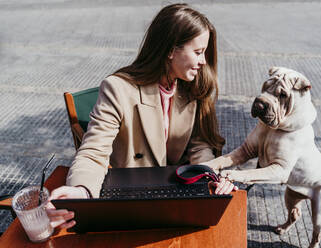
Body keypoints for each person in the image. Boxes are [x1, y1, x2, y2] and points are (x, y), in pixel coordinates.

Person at [46, 3, 237, 230]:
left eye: (204, 52)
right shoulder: (117, 88)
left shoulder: (191, 87)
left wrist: (209, 176)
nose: (203, 61)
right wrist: (82, 190)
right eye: (197, 52)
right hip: (133, 201)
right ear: (169, 50)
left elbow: (200, 145)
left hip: (180, 197)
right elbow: (94, 151)